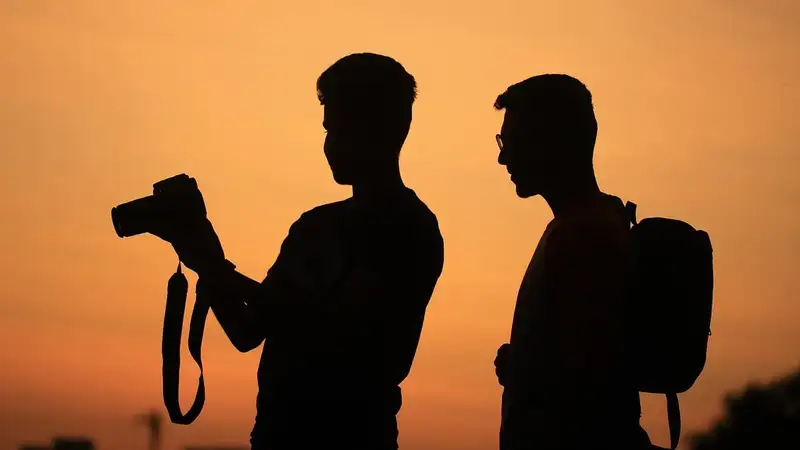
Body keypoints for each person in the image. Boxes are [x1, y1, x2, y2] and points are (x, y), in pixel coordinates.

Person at [160, 53, 444, 450]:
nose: (331, 145)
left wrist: (221, 273)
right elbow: (248, 330)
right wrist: (203, 255)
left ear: (381, 130)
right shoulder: (314, 226)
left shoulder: (408, 228)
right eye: (329, 131)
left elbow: (345, 337)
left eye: (341, 130)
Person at [492, 74, 651, 449]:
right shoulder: (587, 225)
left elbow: (589, 378)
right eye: (502, 142)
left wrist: (526, 370)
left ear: (554, 142)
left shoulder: (583, 236)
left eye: (513, 142)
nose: (503, 157)